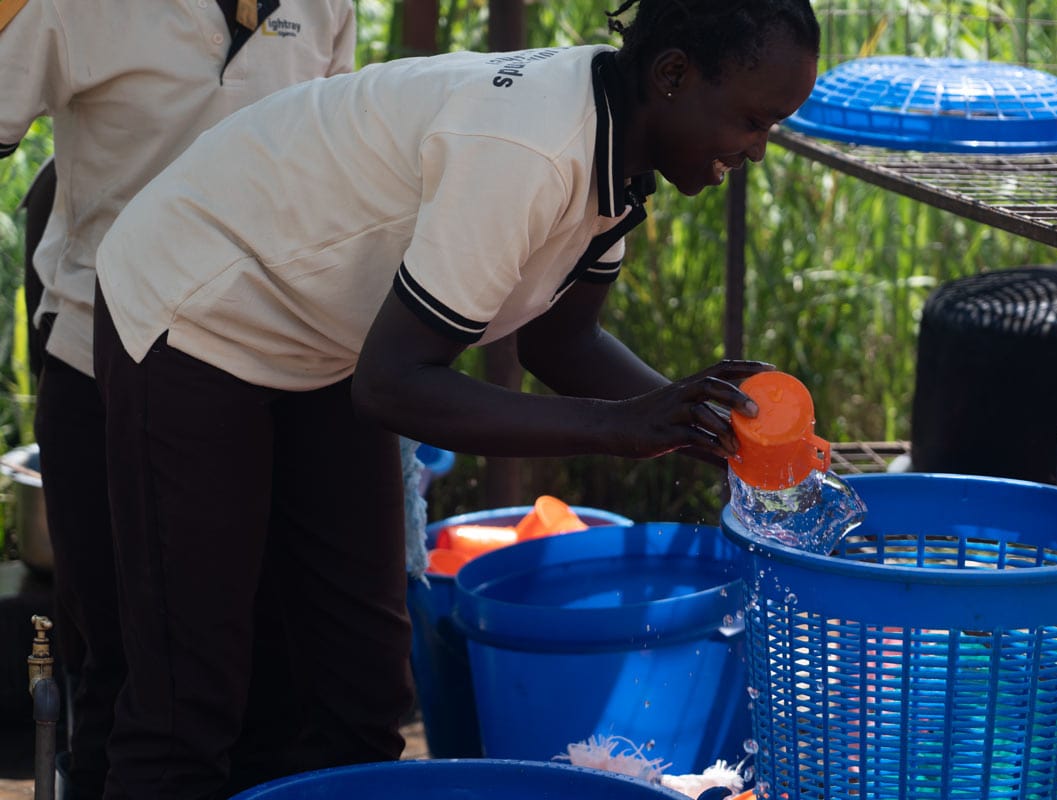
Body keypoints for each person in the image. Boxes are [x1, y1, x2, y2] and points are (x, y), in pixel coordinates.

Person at [92, 0, 820, 797]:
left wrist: (704, 429)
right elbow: (395, 384)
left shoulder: (619, 143)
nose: (757, 149)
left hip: (328, 337)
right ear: (673, 75)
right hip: (200, 309)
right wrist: (622, 427)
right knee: (190, 693)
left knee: (361, 686)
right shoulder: (530, 146)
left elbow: (559, 342)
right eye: (753, 121)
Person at [0, 3, 357, 797]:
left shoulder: (324, 4)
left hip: (279, 357)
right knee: (130, 673)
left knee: (273, 669)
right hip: (106, 354)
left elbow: (342, 149)